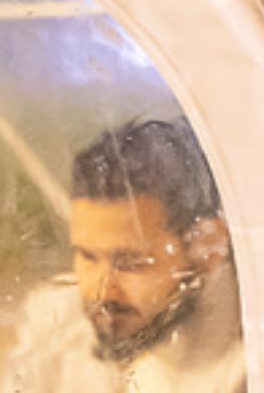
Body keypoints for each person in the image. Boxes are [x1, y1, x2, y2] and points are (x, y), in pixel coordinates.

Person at [5, 119, 242, 393]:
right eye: (88, 256)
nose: (101, 290)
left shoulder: (258, 355)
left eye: (131, 264)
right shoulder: (56, 320)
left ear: (207, 248)